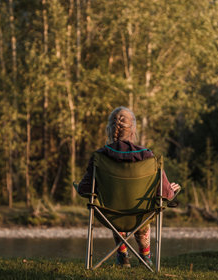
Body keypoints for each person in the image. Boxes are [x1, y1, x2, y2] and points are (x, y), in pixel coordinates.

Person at [77, 106, 180, 268]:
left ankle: (122, 255)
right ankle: (145, 256)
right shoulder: (148, 156)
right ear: (133, 130)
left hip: (111, 214)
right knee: (143, 210)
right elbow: (165, 194)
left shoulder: (100, 156)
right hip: (141, 214)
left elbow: (84, 189)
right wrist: (172, 190)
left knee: (115, 205)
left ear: (109, 131)